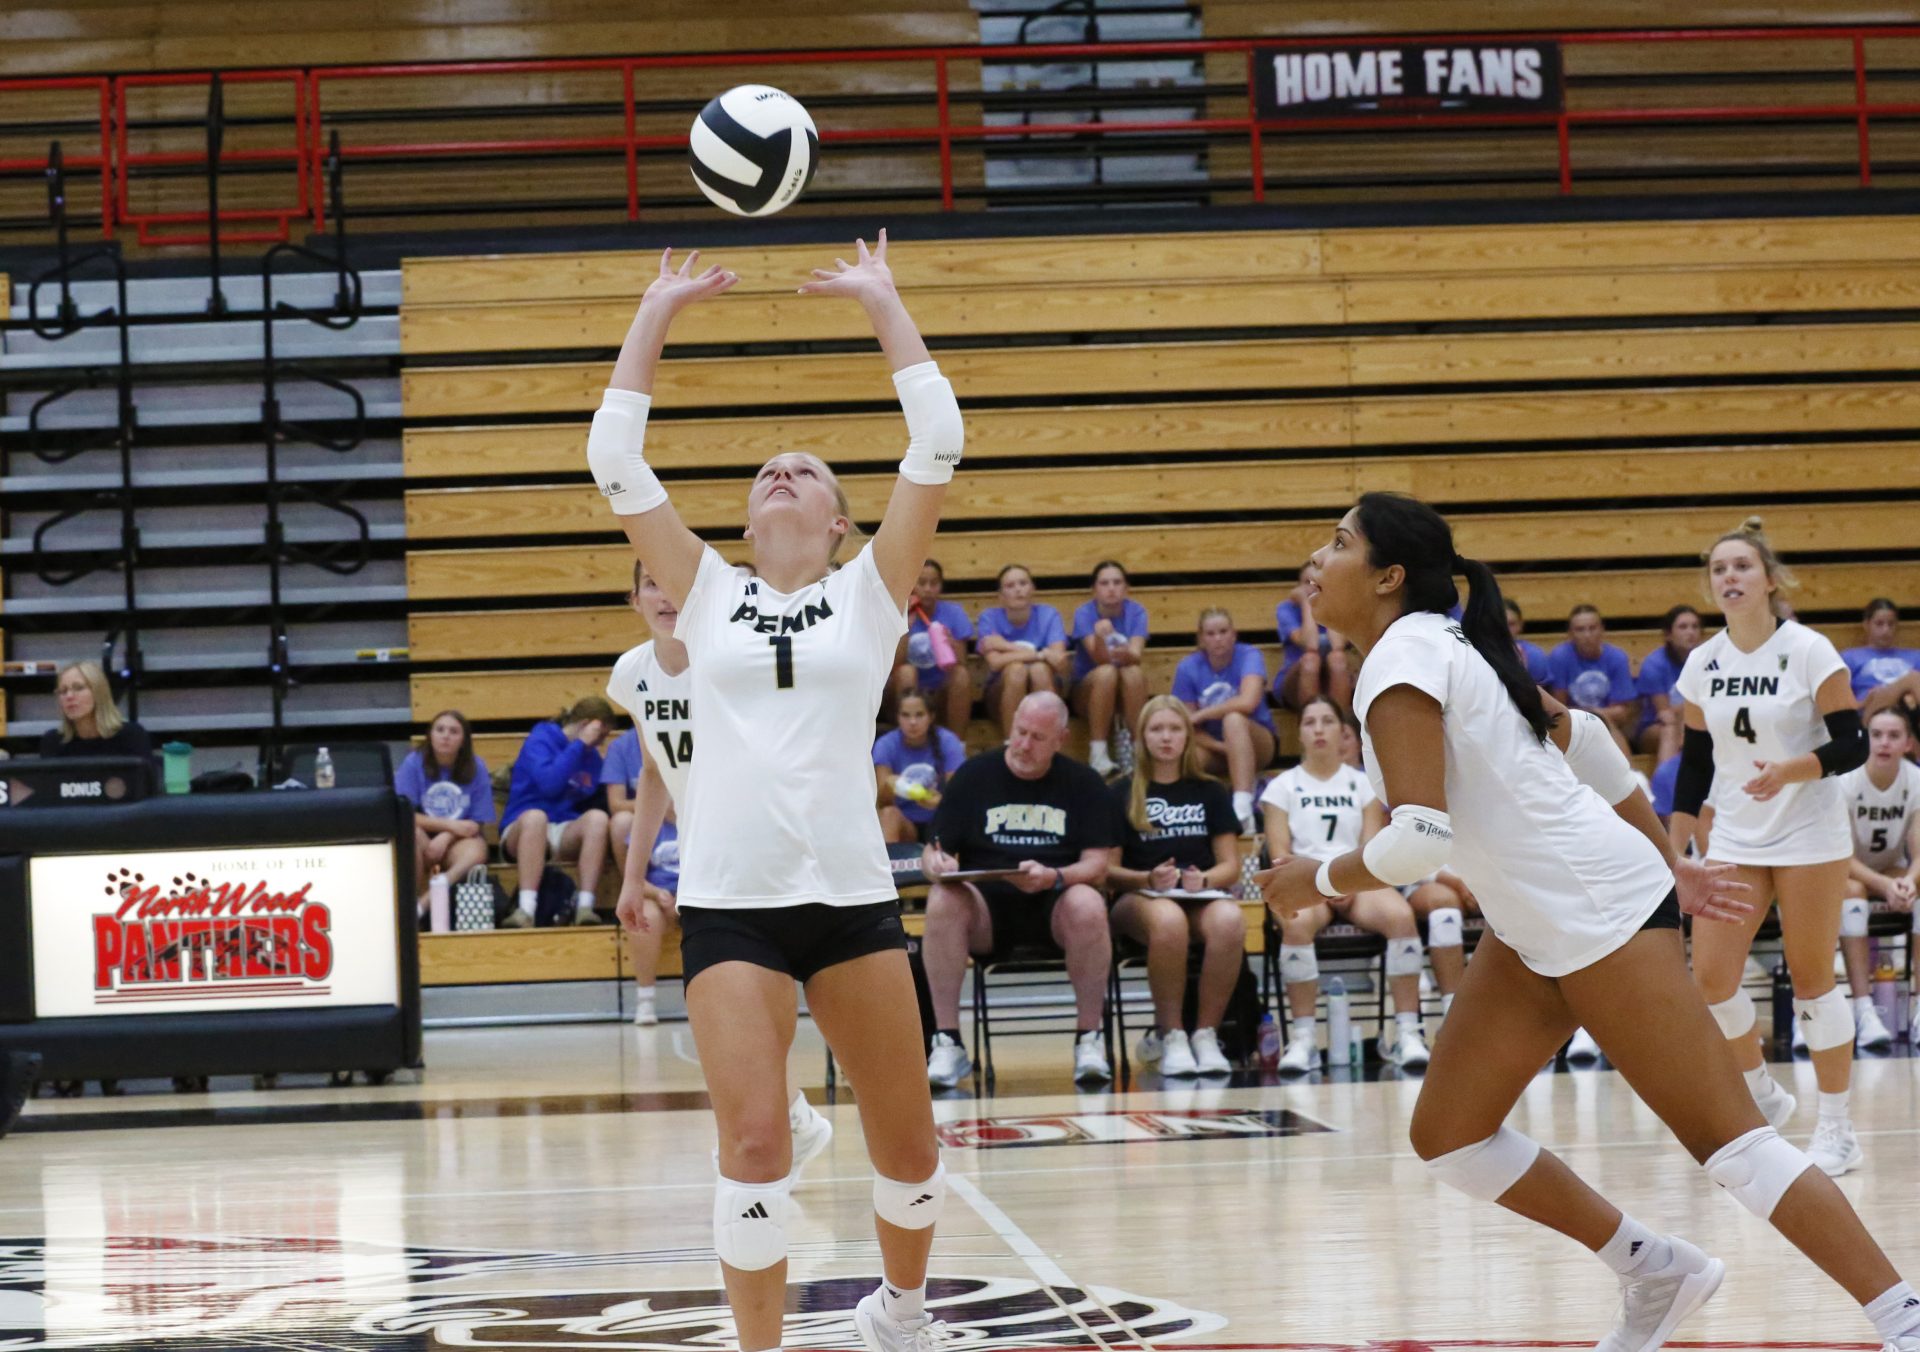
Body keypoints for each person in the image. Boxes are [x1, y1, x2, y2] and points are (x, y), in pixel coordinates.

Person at [1258, 491, 1920, 1352]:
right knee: (1450, 1135)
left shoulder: (1406, 661)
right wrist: (1670, 860)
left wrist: (1315, 877)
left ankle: (1905, 1318)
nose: (1317, 558)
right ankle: (1656, 1268)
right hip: (1539, 922)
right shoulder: (1445, 646)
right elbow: (1592, 740)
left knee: (1735, 1149)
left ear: (1388, 577)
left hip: (1600, 913)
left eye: (1339, 542)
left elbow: (1419, 839)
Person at [587, 232, 958, 1352]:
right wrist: (655, 311)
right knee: (754, 1144)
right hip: (732, 903)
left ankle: (900, 1314)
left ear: (841, 520)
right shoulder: (704, 591)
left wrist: (883, 300)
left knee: (909, 1147)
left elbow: (938, 440)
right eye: (765, 472)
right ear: (747, 524)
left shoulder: (872, 590)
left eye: (807, 470)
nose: (782, 472)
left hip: (850, 898)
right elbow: (614, 459)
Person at [606, 559, 836, 1172]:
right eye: (651, 584)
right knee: (729, 1004)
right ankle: (789, 1120)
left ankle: (773, 1128)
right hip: (704, 856)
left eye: (673, 582)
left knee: (745, 999)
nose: (664, 595)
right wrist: (633, 877)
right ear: (634, 599)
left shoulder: (735, 661)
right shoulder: (632, 673)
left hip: (764, 846)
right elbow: (653, 770)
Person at [1671, 517, 1869, 1178]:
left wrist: (1791, 770)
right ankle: (1761, 1090)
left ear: (1769, 580)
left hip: (1809, 831)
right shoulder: (1703, 662)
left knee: (1811, 977)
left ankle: (1837, 1129)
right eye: (1719, 569)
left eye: (1742, 567)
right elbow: (1695, 763)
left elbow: (1853, 743)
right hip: (1735, 832)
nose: (1730, 577)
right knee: (1710, 978)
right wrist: (1676, 847)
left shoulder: (1809, 650)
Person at [920, 692, 1119, 1087]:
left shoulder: (1083, 782)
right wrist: (937, 865)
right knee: (941, 898)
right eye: (1020, 732)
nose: (1024, 745)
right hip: (986, 909)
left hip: (1056, 901)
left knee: (1088, 901)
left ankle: (1089, 1038)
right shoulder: (974, 775)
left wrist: (1054, 876)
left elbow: (1098, 864)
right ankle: (947, 1041)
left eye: (1038, 738)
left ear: (1061, 739)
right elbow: (933, 850)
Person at [1260, 695, 1430, 1074]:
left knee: (1401, 917)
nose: (1319, 729)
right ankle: (1304, 1040)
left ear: (1343, 732)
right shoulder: (1282, 787)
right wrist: (1320, 883)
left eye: (1327, 721)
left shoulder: (1364, 784)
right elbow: (1279, 853)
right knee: (1296, 923)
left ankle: (1408, 1033)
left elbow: (1372, 847)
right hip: (1305, 881)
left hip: (1356, 879)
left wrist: (1344, 882)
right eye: (1310, 722)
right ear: (1299, 734)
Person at [1105, 695, 1243, 1077]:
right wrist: (1147, 879)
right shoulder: (1120, 792)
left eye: (1174, 729)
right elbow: (1107, 871)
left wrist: (1205, 879)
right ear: (1141, 737)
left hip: (1196, 894)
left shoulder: (1211, 791)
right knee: (1168, 920)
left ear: (1187, 736)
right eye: (1156, 729)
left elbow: (1231, 866)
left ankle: (1206, 1034)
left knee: (1230, 919)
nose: (1166, 737)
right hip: (1138, 897)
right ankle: (1173, 1035)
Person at [1837, 708, 1920, 1048]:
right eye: (1877, 735)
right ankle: (1864, 1009)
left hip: (1889, 868)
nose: (1884, 743)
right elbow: (1840, 856)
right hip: (1847, 872)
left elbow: (1918, 851)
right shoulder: (1846, 781)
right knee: (1852, 890)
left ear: (1908, 743)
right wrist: (1885, 886)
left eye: (1894, 736)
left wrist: (1908, 881)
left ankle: (1918, 1007)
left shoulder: (1915, 781)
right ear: (1866, 739)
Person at [499, 696, 614, 929]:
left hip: (562, 828)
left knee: (598, 819)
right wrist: (579, 745)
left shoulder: (592, 758)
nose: (600, 743)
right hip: (523, 827)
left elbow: (595, 796)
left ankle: (585, 907)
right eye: (600, 735)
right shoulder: (541, 738)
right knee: (536, 818)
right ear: (585, 725)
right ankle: (525, 910)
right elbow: (549, 785)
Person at [1172, 608, 1275, 834]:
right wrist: (1223, 748)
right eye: (1210, 634)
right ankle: (1192, 819)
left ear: (1234, 634)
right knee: (1187, 757)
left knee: (1233, 719)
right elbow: (1188, 726)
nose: (1217, 638)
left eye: (1223, 631)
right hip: (1215, 747)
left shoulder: (1249, 655)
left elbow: (1248, 702)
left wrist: (1204, 714)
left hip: (1257, 741)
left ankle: (1242, 810)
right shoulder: (1187, 667)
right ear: (1201, 639)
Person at [394, 709, 493, 909]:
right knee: (410, 834)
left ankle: (427, 900)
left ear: (463, 740)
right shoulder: (413, 763)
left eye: (453, 731)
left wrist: (446, 836)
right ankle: (408, 904)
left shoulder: (477, 766)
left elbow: (476, 823)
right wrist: (450, 826)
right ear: (430, 735)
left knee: (478, 850)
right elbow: (403, 813)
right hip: (423, 835)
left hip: (456, 840)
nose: (446, 736)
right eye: (440, 730)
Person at [1068, 560, 1150, 777]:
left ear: (1126, 587)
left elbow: (1135, 656)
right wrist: (1099, 637)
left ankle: (1138, 751)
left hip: (1124, 690)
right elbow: (1100, 659)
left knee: (1133, 672)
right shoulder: (1084, 613)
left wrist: (1126, 654)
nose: (1111, 588)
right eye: (1104, 583)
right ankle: (1098, 753)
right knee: (1107, 672)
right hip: (1087, 692)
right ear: (1094, 589)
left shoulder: (1137, 612)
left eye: (1117, 582)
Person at [976, 564, 1069, 734]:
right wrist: (1041, 654)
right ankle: (1012, 743)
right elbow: (995, 663)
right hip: (999, 692)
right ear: (1000, 596)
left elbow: (1059, 661)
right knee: (1016, 670)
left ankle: (1046, 740)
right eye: (1010, 586)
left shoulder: (1049, 614)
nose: (1018, 590)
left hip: (1045, 684)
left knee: (1039, 670)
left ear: (1033, 589)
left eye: (1023, 583)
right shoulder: (989, 617)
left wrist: (1005, 646)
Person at [891, 559, 973, 733]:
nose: (928, 589)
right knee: (906, 672)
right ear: (912, 585)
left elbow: (962, 663)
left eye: (933, 584)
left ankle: (957, 743)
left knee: (961, 675)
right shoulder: (897, 613)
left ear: (940, 586)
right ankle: (908, 736)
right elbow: (893, 666)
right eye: (922, 583)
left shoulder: (954, 613)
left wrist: (951, 644)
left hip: (940, 692)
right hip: (903, 693)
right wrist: (904, 627)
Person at [874, 690, 967, 844]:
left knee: (962, 813)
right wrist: (891, 786)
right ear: (897, 717)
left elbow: (958, 793)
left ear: (931, 717)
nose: (912, 722)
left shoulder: (948, 741)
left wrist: (938, 801)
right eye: (905, 715)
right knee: (889, 815)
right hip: (905, 823)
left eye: (919, 715)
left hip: (940, 820)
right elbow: (882, 803)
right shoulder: (885, 745)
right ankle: (889, 859)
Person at [1546, 605, 1639, 749]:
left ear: (1602, 630)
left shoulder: (1617, 657)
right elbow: (1560, 710)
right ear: (1570, 634)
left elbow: (1622, 713)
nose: (1587, 635)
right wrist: (1595, 714)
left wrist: (1594, 715)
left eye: (1592, 628)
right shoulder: (1560, 657)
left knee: (1607, 724)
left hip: (1608, 724)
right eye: (1580, 629)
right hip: (1573, 726)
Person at [1274, 559, 1352, 711]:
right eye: (1307, 582)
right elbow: (1311, 645)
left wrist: (1329, 601)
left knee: (1337, 658)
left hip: (1333, 676)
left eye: (1318, 581)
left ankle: (1340, 722)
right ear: (1298, 587)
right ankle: (1310, 717)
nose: (1312, 587)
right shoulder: (1286, 609)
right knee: (1311, 659)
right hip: (1295, 681)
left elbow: (1337, 645)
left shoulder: (1340, 607)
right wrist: (1306, 602)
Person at [39, 661, 152, 761]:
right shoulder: (53, 742)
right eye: (63, 691)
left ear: (98, 692)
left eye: (78, 688)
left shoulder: (131, 736)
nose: (69, 696)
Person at [1404, 869, 1477, 1018]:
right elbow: (1405, 861)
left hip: (1492, 880)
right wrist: (1453, 881)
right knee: (1443, 905)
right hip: (1429, 881)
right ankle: (1453, 1014)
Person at [1636, 604, 1703, 764]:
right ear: (1668, 635)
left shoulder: (1708, 662)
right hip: (1655, 729)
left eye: (1695, 627)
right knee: (1671, 729)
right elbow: (1666, 714)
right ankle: (1665, 779)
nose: (1691, 632)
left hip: (1694, 723)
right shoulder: (1654, 664)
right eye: (1683, 627)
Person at [1844, 599, 1920, 703]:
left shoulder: (1916, 657)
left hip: (1908, 708)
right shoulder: (1850, 658)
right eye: (1879, 624)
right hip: (1869, 708)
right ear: (1866, 625)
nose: (1886, 630)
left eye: (1891, 624)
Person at [1505, 599, 1551, 685]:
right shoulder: (1480, 656)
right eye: (1500, 623)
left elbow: (1542, 692)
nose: (1505, 629)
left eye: (1511, 624)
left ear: (1520, 625)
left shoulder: (1535, 656)